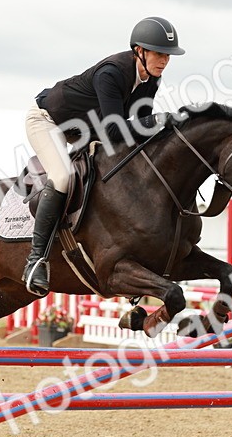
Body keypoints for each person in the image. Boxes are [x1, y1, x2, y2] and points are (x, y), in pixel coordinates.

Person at [22, 16, 185, 296]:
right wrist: (160, 120)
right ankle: (36, 260)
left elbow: (140, 130)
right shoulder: (112, 73)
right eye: (159, 54)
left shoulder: (151, 80)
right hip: (48, 122)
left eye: (168, 55)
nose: (164, 61)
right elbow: (114, 129)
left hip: (87, 130)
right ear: (139, 52)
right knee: (62, 176)